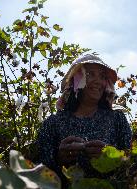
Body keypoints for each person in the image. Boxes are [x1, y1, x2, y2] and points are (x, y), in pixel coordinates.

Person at [37, 54, 132, 187]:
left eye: (102, 76)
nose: (98, 81)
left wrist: (110, 156)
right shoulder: (53, 123)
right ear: (76, 80)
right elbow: (39, 169)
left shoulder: (117, 119)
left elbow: (132, 163)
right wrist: (59, 158)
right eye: (90, 74)